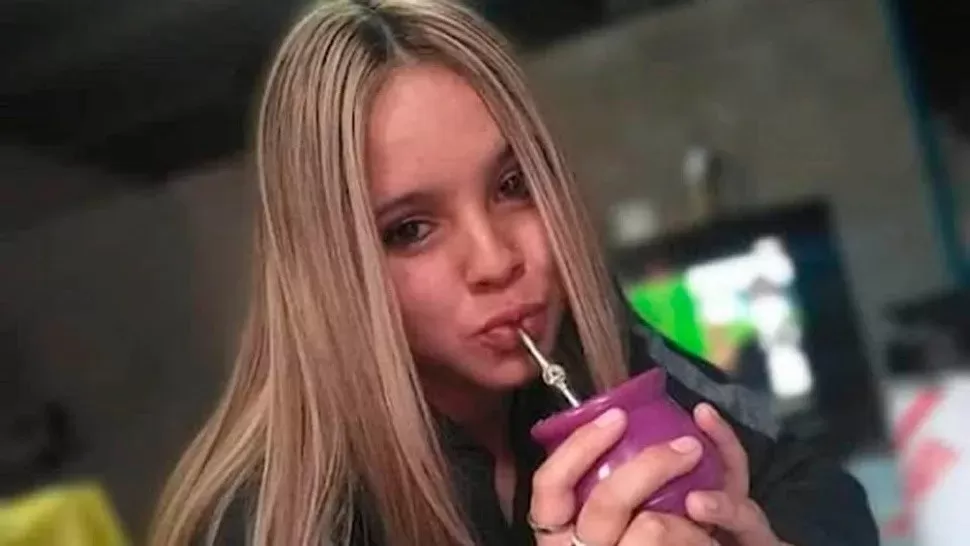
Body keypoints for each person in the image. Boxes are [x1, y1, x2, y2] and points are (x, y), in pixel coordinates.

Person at [149, 1, 879, 545]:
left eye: (513, 185)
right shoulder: (269, 520)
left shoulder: (593, 341)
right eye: (410, 230)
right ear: (328, 271)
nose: (499, 261)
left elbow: (821, 488)